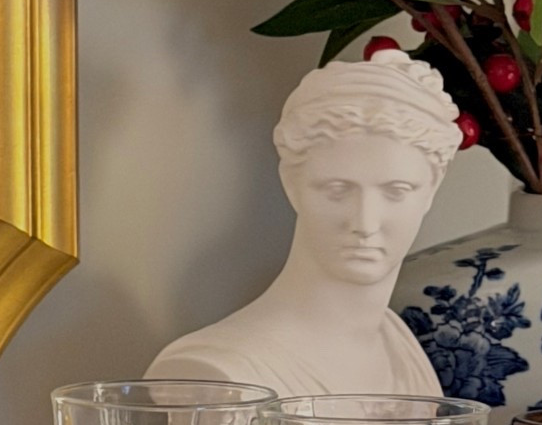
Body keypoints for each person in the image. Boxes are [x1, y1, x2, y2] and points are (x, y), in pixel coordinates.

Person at [149, 47, 462, 396]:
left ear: (431, 188)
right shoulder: (217, 374)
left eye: (396, 191)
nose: (365, 222)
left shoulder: (401, 349)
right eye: (337, 189)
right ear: (291, 183)